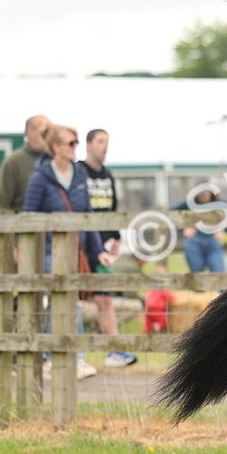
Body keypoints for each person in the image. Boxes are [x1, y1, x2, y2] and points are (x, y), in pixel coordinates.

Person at [24, 123, 112, 380]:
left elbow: (87, 216)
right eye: (70, 143)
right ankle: (69, 356)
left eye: (76, 143)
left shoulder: (79, 174)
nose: (75, 148)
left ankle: (61, 356)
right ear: (55, 147)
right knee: (65, 300)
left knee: (68, 300)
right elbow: (29, 215)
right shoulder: (41, 176)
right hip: (50, 249)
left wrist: (97, 252)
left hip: (77, 249)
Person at [80, 128, 137, 368]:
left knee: (105, 298)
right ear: (89, 144)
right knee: (71, 298)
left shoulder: (107, 175)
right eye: (101, 141)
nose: (105, 146)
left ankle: (113, 351)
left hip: (103, 246)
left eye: (107, 142)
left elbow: (112, 207)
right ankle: (72, 352)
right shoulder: (78, 172)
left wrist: (115, 236)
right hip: (81, 245)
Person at [0, 115, 51, 213]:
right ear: (29, 132)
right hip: (22, 225)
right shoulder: (13, 162)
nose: (48, 135)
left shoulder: (56, 161)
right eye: (45, 131)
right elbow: (2, 204)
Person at [178, 183, 227, 273]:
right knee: (197, 276)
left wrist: (223, 230)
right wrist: (183, 229)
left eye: (204, 192)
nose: (202, 195)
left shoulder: (219, 204)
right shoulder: (189, 204)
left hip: (213, 243)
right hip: (194, 242)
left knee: (219, 273)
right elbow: (171, 215)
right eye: (199, 192)